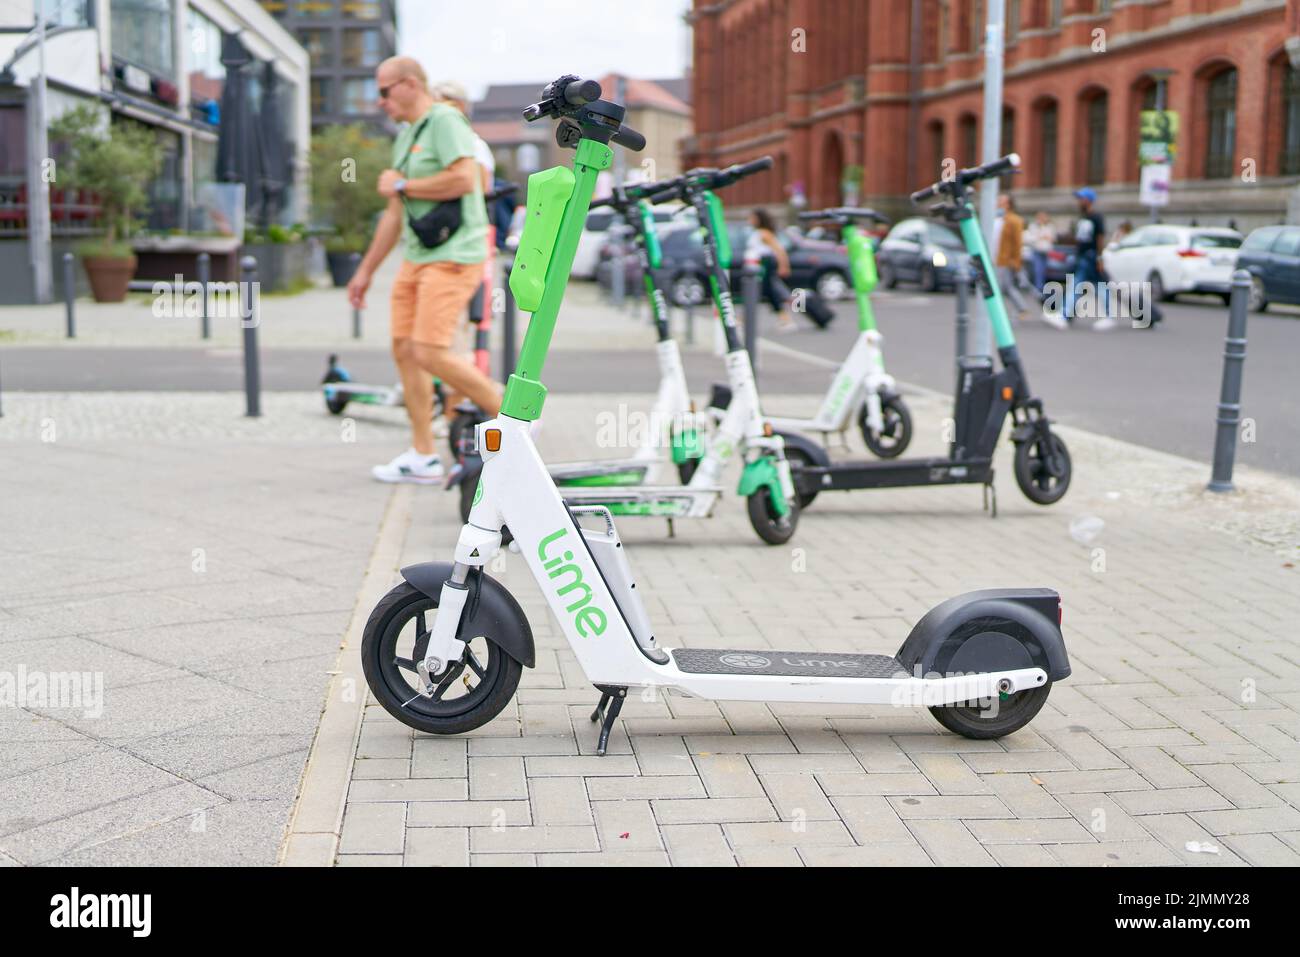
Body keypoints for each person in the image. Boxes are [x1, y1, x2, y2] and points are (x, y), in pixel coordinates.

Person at [346, 57, 496, 484]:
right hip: (417, 258)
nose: (380, 102)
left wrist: (402, 184)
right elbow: (394, 215)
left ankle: (513, 414)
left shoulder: (445, 120)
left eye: (384, 91)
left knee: (431, 351)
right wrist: (365, 271)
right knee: (405, 350)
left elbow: (466, 180)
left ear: (410, 84)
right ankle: (423, 455)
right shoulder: (406, 135)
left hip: (454, 254)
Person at [1045, 187, 1114, 331]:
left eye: (1081, 199)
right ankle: (1107, 316)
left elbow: (1100, 238)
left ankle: (1064, 315)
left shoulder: (1096, 217)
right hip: (1082, 256)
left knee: (1084, 286)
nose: (1079, 201)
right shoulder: (1083, 218)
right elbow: (1078, 238)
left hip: (1091, 256)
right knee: (1092, 286)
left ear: (1088, 200)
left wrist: (1099, 257)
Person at [745, 209, 796, 332]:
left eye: (752, 218)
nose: (749, 221)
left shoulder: (764, 233)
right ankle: (784, 317)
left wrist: (783, 266)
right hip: (757, 265)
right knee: (764, 291)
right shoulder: (757, 232)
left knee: (766, 291)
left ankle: (785, 318)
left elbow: (779, 250)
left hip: (764, 264)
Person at [994, 194, 1029, 321]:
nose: (998, 204)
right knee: (1006, 287)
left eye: (1001, 202)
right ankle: (1020, 308)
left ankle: (1020, 308)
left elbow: (1018, 242)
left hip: (1005, 260)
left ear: (1008, 204)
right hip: (996, 258)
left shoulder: (1014, 220)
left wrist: (1016, 261)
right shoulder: (998, 219)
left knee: (1003, 287)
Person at [1025, 211, 1055, 293]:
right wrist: (1041, 236)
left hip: (1045, 251)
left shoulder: (1049, 226)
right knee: (1037, 270)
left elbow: (1051, 238)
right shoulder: (1034, 226)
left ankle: (1041, 287)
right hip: (1037, 250)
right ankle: (1038, 288)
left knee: (1043, 270)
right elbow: (1031, 238)